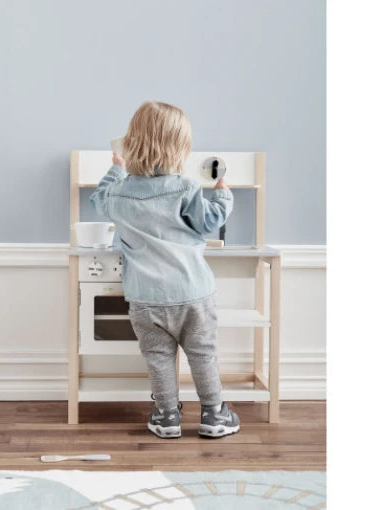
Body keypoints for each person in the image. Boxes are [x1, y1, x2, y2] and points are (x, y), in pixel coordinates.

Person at [90, 101, 240, 439]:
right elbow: (209, 222)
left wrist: (116, 168)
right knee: (202, 354)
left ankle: (166, 416)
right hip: (192, 292)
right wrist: (223, 197)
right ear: (180, 147)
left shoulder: (118, 192)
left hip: (145, 298)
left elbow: (97, 200)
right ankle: (214, 414)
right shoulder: (186, 188)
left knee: (158, 356)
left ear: (131, 143)